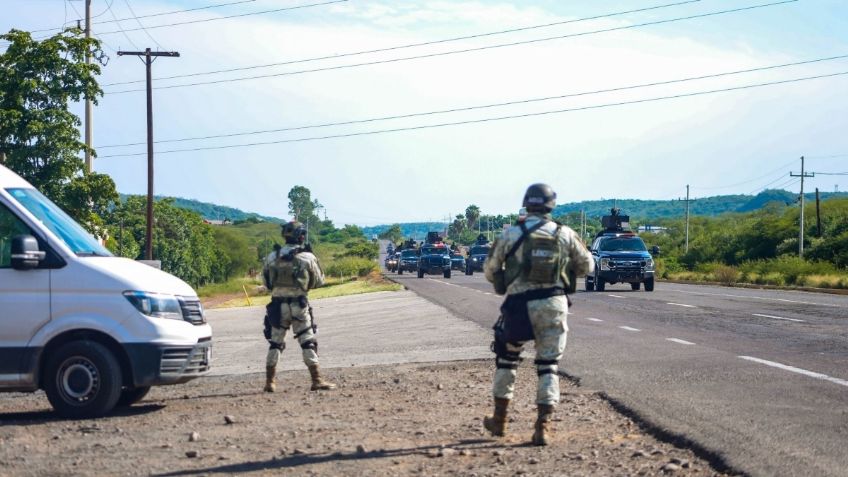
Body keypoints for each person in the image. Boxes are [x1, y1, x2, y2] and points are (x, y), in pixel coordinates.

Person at [482, 183, 594, 445]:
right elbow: (587, 266)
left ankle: (499, 421)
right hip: (553, 303)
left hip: (519, 304)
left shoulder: (511, 234)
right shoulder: (564, 234)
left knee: (507, 359)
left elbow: (490, 270)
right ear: (550, 205)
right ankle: (543, 426)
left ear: (527, 203)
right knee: (548, 366)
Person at [264, 221, 336, 393]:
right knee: (307, 341)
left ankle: (270, 382)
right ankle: (316, 379)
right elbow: (319, 281)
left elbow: (266, 283)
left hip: (277, 306)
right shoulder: (308, 258)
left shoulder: (272, 257)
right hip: (299, 305)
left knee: (275, 343)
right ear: (301, 236)